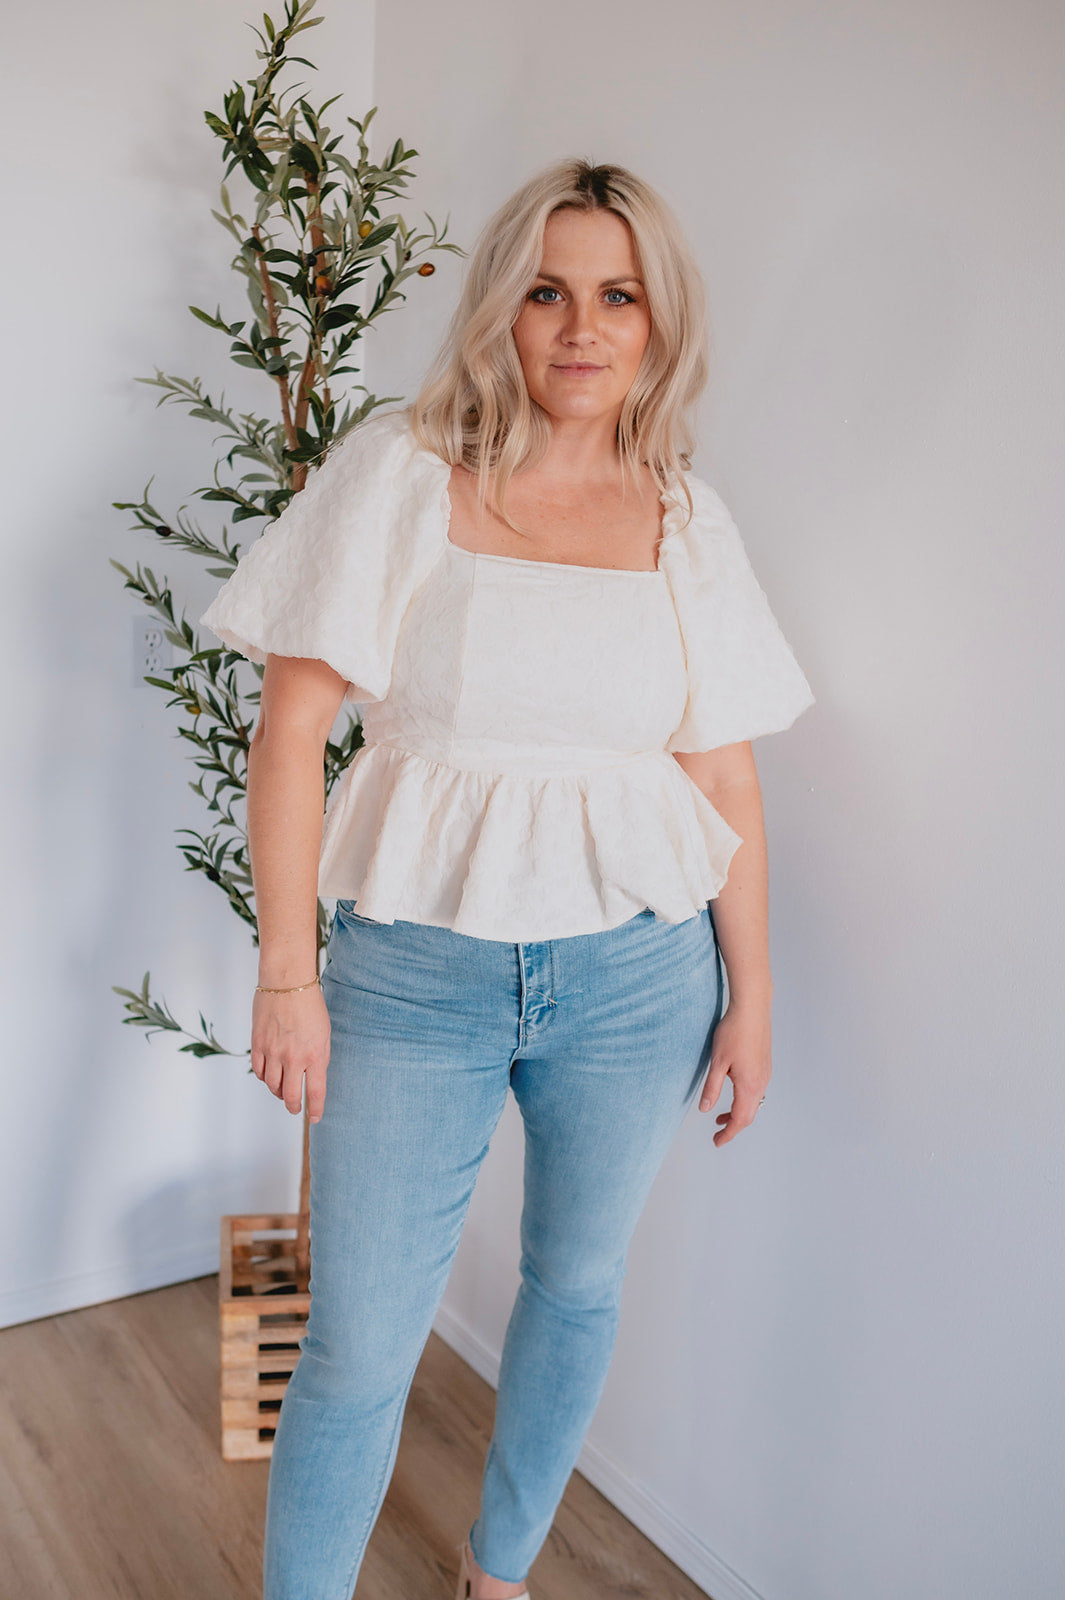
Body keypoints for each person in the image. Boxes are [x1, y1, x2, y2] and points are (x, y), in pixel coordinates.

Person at [200, 157, 815, 1600]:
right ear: (501, 309)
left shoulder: (685, 517)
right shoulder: (402, 473)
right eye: (547, 291)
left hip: (639, 976)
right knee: (356, 1343)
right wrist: (286, 972)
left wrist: (752, 996)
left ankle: (501, 1572)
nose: (581, 328)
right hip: (414, 972)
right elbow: (291, 730)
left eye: (619, 296)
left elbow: (724, 778)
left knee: (576, 1286)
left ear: (658, 322)